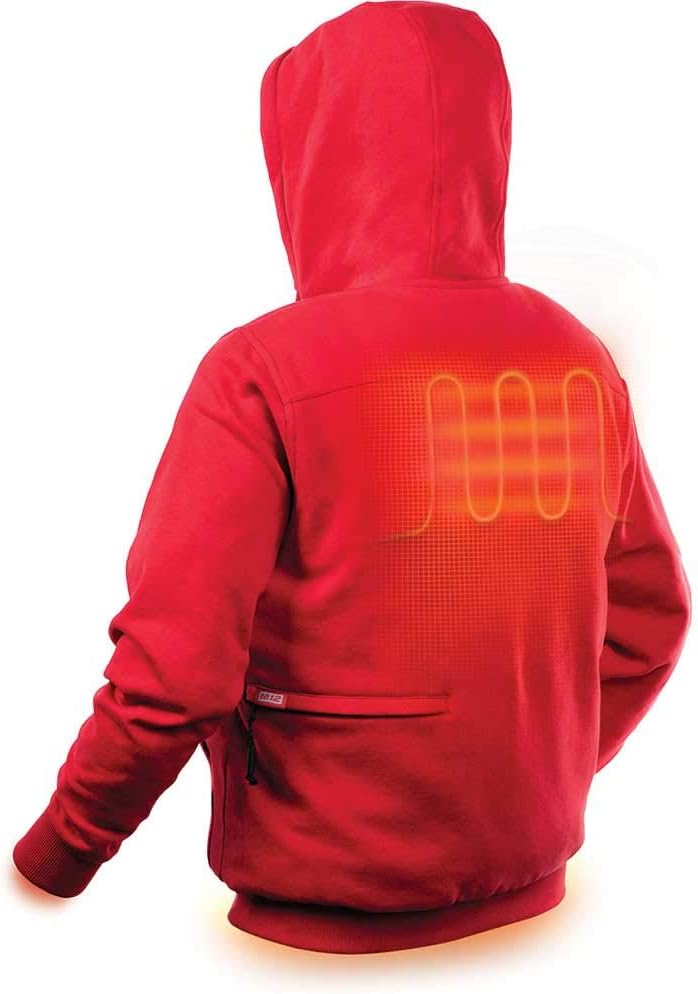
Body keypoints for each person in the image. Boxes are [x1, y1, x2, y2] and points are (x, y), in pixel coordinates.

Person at [13, 0, 691, 955]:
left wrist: (52, 863)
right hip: (544, 912)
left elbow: (175, 670)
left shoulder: (264, 369)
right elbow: (651, 621)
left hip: (310, 924)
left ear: (309, 155)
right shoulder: (578, 358)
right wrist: (541, 775)